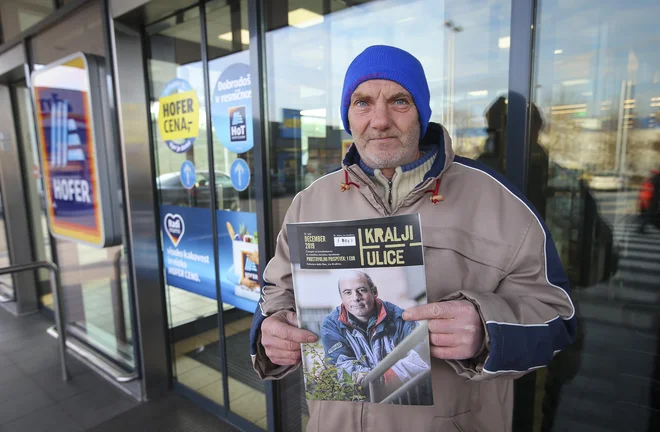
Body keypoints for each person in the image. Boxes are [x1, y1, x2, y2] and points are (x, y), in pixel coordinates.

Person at [249, 45, 576, 431]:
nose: (380, 120)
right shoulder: (310, 202)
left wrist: (489, 330)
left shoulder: (499, 202)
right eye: (363, 102)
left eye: (399, 101)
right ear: (348, 115)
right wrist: (268, 331)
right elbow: (275, 294)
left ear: (421, 111)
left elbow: (559, 318)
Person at [321, 270, 428, 389]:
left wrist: (381, 379)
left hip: (403, 393)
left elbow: (421, 356)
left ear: (374, 292)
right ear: (342, 297)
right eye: (348, 293)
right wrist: (370, 380)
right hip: (365, 400)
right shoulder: (332, 325)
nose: (355, 298)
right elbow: (339, 366)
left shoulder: (399, 317)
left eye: (361, 290)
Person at [638, 169, 660, 233]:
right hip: (653, 200)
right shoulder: (656, 179)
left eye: (652, 173)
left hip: (651, 199)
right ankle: (641, 228)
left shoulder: (653, 179)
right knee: (650, 215)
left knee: (651, 215)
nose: (650, 174)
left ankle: (641, 228)